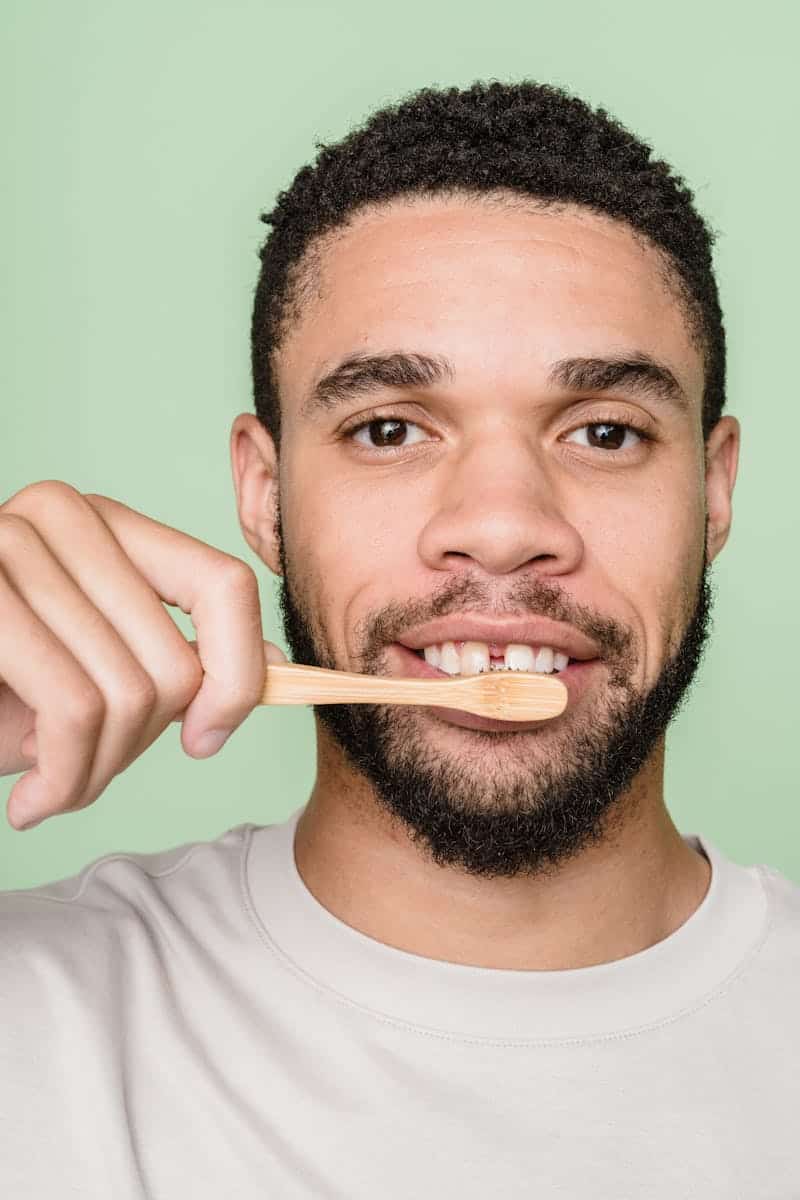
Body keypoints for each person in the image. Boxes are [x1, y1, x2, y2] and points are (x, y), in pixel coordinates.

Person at [1, 79, 797, 1198]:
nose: (503, 526)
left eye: (605, 431)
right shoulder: (32, 1025)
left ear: (711, 494)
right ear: (265, 494)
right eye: (387, 430)